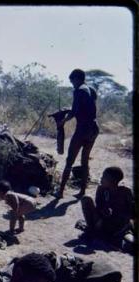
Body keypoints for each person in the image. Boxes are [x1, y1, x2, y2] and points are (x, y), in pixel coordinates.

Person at [54, 69, 99, 199]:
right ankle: (82, 191)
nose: (72, 84)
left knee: (69, 161)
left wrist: (62, 121)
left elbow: (74, 112)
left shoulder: (79, 90)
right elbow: (86, 108)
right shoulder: (90, 89)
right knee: (84, 160)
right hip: (94, 128)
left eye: (72, 81)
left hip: (83, 129)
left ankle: (60, 192)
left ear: (77, 79)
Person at [79, 167, 134, 251]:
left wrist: (118, 214)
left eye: (104, 177)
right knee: (86, 199)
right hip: (103, 221)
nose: (101, 178)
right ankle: (92, 230)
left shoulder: (125, 192)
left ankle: (103, 234)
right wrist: (103, 211)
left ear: (113, 181)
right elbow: (98, 206)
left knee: (130, 243)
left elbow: (131, 212)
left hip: (120, 225)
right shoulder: (101, 189)